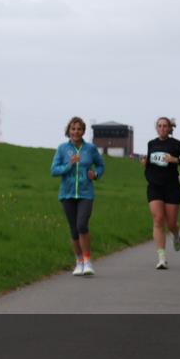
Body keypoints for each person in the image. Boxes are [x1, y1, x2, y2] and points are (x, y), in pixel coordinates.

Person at [50, 117, 105, 276]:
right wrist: (69, 165)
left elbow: (101, 165)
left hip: (85, 193)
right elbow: (53, 170)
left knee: (82, 225)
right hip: (67, 194)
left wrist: (95, 174)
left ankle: (87, 261)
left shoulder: (90, 149)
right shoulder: (62, 149)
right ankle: (78, 261)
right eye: (73, 129)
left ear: (83, 131)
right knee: (74, 230)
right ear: (69, 131)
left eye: (79, 129)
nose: (76, 132)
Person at [142, 117, 180, 270]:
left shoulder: (176, 144)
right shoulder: (151, 143)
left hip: (171, 186)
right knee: (158, 219)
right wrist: (145, 163)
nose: (162, 128)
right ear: (156, 128)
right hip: (154, 186)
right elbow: (150, 161)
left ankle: (176, 235)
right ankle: (162, 257)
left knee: (171, 223)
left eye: (165, 126)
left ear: (170, 128)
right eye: (160, 126)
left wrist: (174, 159)